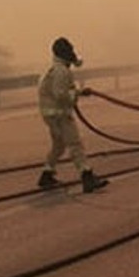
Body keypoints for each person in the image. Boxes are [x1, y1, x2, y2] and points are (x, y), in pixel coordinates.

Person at [36, 37, 108, 193]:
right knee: (75, 144)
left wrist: (78, 93)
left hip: (51, 114)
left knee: (59, 145)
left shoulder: (55, 69)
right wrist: (78, 93)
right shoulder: (61, 71)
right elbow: (60, 94)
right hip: (59, 114)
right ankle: (87, 176)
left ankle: (47, 174)